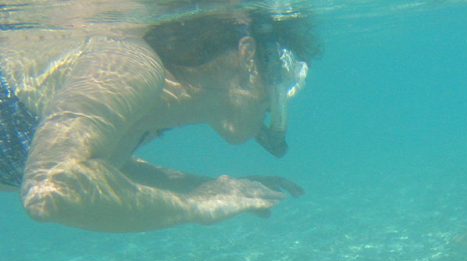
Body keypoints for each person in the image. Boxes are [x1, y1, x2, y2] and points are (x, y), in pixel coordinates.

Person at [0, 5, 319, 232]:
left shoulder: (157, 108)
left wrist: (207, 189)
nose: (282, 95)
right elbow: (54, 189)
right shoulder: (133, 65)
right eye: (283, 76)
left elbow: (98, 168)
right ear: (247, 55)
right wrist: (198, 208)